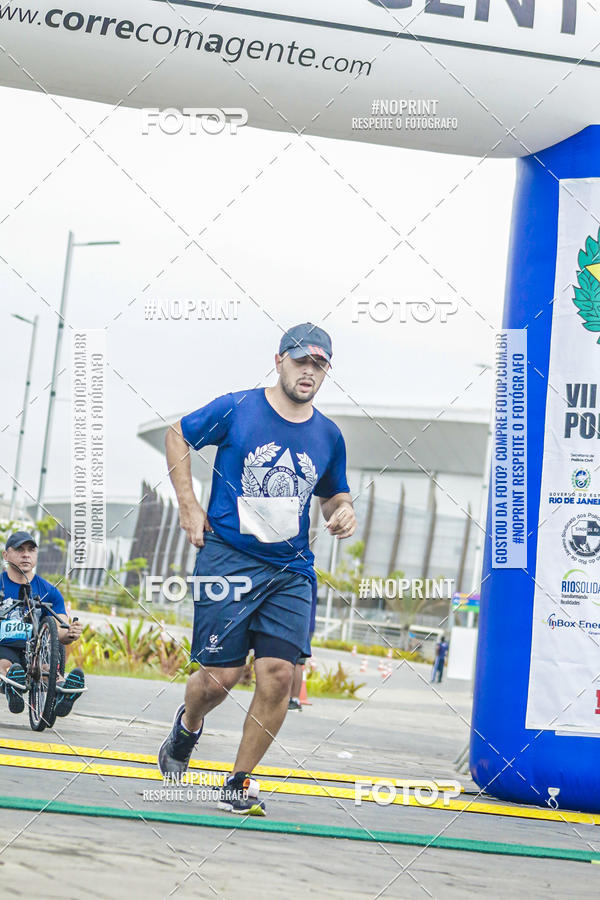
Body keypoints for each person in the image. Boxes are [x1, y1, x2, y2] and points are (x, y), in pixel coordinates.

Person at [159, 323, 356, 815]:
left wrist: (342, 511)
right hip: (228, 557)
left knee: (277, 675)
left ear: (326, 371)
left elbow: (333, 492)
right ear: (279, 361)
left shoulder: (329, 435)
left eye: (319, 364)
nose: (308, 371)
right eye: (300, 361)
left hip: (291, 570)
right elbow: (178, 435)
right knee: (219, 678)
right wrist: (188, 504)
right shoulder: (238, 408)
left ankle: (237, 782)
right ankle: (187, 727)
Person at [0, 531, 85, 716]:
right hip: (4, 646)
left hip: (35, 649)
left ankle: (64, 692)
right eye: (19, 549)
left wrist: (70, 634)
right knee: (5, 663)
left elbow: (59, 630)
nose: (26, 554)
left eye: (31, 550)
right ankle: (12, 686)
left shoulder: (49, 591)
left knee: (46, 669)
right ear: (5, 555)